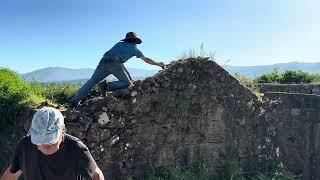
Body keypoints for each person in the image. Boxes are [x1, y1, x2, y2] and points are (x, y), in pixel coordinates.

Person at [0, 107, 104, 180]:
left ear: (63, 131)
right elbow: (11, 173)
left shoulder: (76, 148)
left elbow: (96, 175)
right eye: (40, 140)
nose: (45, 144)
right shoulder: (24, 146)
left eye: (50, 139)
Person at [69, 32, 165, 109]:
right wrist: (158, 64)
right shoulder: (134, 49)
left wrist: (127, 73)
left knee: (91, 82)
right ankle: (105, 86)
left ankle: (74, 102)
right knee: (127, 83)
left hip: (103, 62)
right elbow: (146, 59)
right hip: (115, 64)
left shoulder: (119, 44)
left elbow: (117, 59)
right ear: (135, 41)